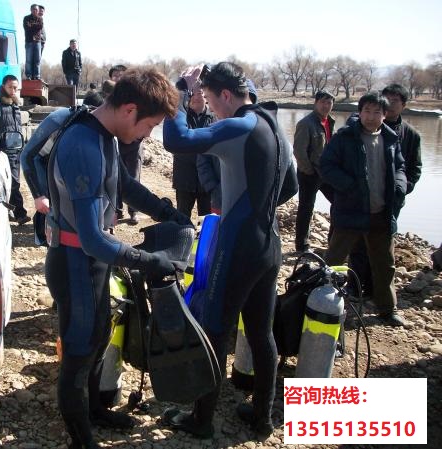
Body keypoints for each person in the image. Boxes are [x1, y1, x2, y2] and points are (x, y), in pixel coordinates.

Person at [21, 69, 191, 449]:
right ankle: (82, 440)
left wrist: (166, 212)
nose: (148, 135)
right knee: (79, 350)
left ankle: (95, 410)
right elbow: (93, 240)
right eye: (149, 125)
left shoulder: (106, 135)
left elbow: (124, 185)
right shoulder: (82, 145)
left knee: (99, 334)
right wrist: (151, 261)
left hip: (91, 263)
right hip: (74, 262)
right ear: (130, 109)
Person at [161, 62, 298, 441]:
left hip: (237, 246)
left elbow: (177, 142)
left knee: (216, 329)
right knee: (260, 332)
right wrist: (256, 208)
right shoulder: (275, 126)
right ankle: (261, 417)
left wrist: (178, 95)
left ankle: (201, 421)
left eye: (209, 99)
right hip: (268, 245)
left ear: (225, 95)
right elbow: (292, 184)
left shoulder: (238, 126)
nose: (210, 109)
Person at [320, 92, 407, 327]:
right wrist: (348, 186)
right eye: (366, 111)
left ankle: (388, 309)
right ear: (359, 112)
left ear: (385, 114)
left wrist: (400, 186)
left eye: (376, 112)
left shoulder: (390, 138)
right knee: (335, 260)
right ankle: (321, 305)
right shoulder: (344, 137)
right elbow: (326, 167)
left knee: (384, 264)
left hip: (381, 212)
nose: (370, 117)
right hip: (351, 211)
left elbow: (400, 166)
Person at [349, 84, 423, 297]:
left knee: (383, 249)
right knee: (358, 246)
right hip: (360, 201)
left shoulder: (410, 135)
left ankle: (376, 290)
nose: (389, 106)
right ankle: (355, 286)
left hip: (389, 202)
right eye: (386, 101)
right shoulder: (357, 128)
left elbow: (413, 168)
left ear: (404, 105)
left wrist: (401, 189)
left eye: (395, 102)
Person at [196, 80, 258, 215]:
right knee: (217, 233)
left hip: (251, 204)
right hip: (220, 198)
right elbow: (202, 161)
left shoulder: (260, 132)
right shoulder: (214, 129)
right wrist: (213, 187)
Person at [292, 89, 336, 252]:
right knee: (306, 208)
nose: (326, 106)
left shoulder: (330, 121)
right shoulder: (306, 123)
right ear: (315, 103)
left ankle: (333, 242)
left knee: (338, 202)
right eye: (323, 102)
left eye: (329, 102)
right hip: (309, 173)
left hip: (327, 172)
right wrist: (308, 170)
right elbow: (299, 151)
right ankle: (302, 245)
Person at [0, 75, 30, 225]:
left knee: (13, 182)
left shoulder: (15, 105)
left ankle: (10, 211)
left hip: (17, 150)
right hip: (4, 151)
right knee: (13, 183)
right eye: (11, 87)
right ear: (4, 86)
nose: (14, 90)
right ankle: (20, 214)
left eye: (16, 88)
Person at [109, 65, 145, 225]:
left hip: (134, 145)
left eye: (120, 75)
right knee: (113, 176)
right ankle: (116, 209)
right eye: (115, 75)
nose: (117, 78)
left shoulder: (137, 95)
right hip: (115, 144)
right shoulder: (108, 96)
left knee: (133, 176)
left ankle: (134, 211)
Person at [172, 87, 215, 218]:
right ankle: (183, 238)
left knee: (207, 220)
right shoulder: (181, 117)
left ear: (206, 97)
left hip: (207, 180)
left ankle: (203, 240)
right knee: (182, 218)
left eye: (200, 93)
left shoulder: (214, 117)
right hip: (184, 178)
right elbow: (175, 143)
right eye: (192, 94)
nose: (196, 97)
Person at [23, 4, 44, 80]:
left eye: (36, 9)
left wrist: (31, 25)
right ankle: (28, 75)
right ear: (31, 10)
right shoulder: (26, 18)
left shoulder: (40, 19)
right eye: (34, 9)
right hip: (29, 41)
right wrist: (35, 26)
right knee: (29, 59)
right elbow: (26, 28)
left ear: (38, 11)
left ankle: (36, 75)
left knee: (37, 59)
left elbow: (40, 27)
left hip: (38, 42)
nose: (35, 11)